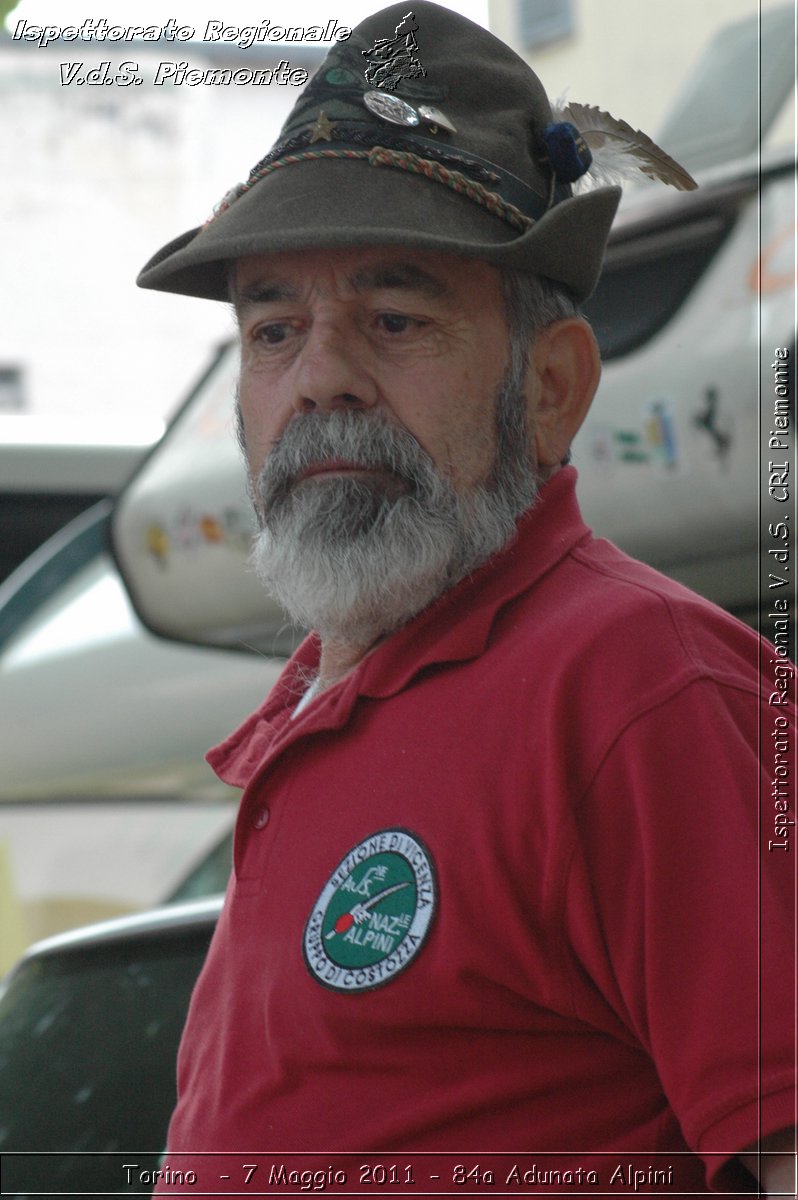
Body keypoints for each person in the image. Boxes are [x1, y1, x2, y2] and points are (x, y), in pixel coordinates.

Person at [138, 3, 795, 1194]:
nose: (322, 376)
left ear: (550, 389)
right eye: (274, 328)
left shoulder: (643, 684)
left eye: (395, 320)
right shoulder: (319, 705)